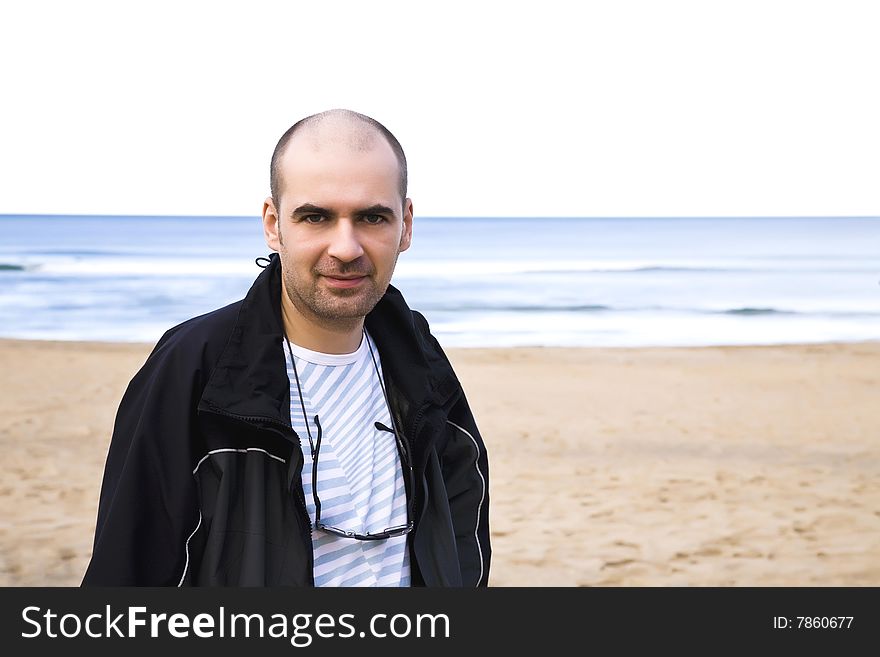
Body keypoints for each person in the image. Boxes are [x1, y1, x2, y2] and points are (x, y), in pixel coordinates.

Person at [81, 109, 490, 587]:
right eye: (316, 216)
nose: (346, 248)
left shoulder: (417, 355)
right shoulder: (196, 365)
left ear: (406, 226)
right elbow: (129, 569)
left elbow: (464, 529)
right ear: (274, 225)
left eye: (372, 217)